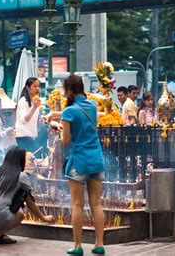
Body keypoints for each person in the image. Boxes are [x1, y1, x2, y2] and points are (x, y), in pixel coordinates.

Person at [57, 75, 105, 255]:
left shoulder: (68, 112)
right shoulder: (92, 106)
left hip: (79, 161)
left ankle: (77, 246)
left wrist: (59, 130)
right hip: (97, 159)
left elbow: (66, 141)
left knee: (77, 205)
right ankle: (99, 244)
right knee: (97, 203)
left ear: (68, 90)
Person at [0, 147, 55, 245]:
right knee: (19, 214)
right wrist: (44, 218)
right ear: (21, 160)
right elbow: (30, 203)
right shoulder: (21, 176)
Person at [15, 78, 42, 153]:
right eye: (35, 86)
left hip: (31, 135)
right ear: (27, 87)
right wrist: (34, 107)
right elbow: (25, 119)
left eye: (39, 86)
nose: (37, 88)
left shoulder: (34, 101)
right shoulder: (23, 101)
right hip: (23, 135)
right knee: (38, 154)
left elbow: (34, 118)